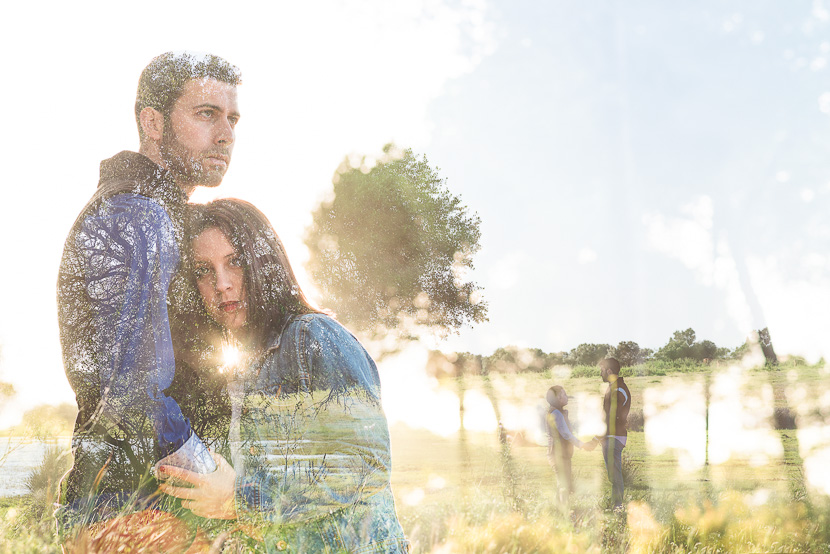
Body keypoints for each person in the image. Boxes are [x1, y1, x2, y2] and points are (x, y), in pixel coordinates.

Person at [56, 51, 241, 550]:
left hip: (150, 512)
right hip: (142, 517)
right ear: (153, 122)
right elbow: (135, 388)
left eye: (232, 119)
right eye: (206, 114)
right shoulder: (137, 214)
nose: (225, 134)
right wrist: (217, 487)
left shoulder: (158, 214)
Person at [157, 199, 410, 553]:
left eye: (235, 262)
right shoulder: (235, 372)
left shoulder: (314, 337)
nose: (222, 284)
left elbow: (365, 463)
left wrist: (239, 500)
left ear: (264, 262)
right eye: (203, 270)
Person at [589, 357, 631, 510]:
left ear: (609, 371)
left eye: (602, 370)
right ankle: (616, 504)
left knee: (615, 475)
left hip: (613, 437)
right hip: (612, 436)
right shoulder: (615, 387)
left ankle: (618, 506)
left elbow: (611, 419)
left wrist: (595, 439)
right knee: (613, 475)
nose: (601, 373)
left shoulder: (617, 389)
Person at [545, 385, 591, 503]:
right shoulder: (557, 413)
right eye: (564, 395)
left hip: (558, 452)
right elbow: (566, 434)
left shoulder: (556, 412)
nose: (567, 397)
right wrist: (581, 445)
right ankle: (563, 508)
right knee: (563, 483)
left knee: (562, 481)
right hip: (559, 453)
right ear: (558, 399)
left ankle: (558, 508)